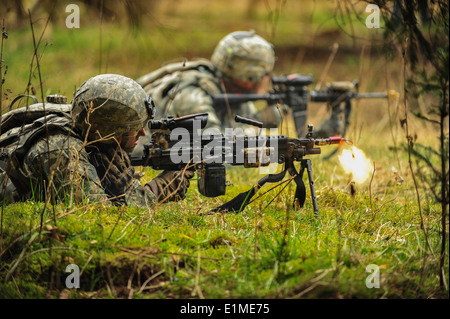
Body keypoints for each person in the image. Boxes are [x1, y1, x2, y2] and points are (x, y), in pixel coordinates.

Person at [0, 74, 192, 207]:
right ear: (110, 132)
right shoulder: (63, 149)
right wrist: (160, 188)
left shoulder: (86, 124)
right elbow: (98, 214)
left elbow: (118, 189)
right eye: (134, 128)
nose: (142, 133)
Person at [133, 30, 287, 156]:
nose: (266, 78)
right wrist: (257, 124)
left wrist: (257, 119)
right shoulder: (194, 96)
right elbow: (216, 150)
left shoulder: (229, 91)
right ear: (249, 75)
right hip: (138, 161)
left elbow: (234, 128)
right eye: (264, 72)